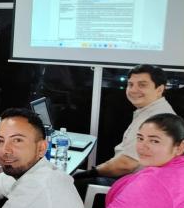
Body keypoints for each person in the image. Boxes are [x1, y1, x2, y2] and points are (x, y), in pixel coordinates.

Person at [73, 64, 175, 195]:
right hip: (138, 180)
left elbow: (126, 164)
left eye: (142, 85)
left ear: (159, 89)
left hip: (134, 187)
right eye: (131, 84)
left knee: (67, 183)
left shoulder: (154, 119)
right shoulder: (154, 110)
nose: (133, 90)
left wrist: (90, 173)